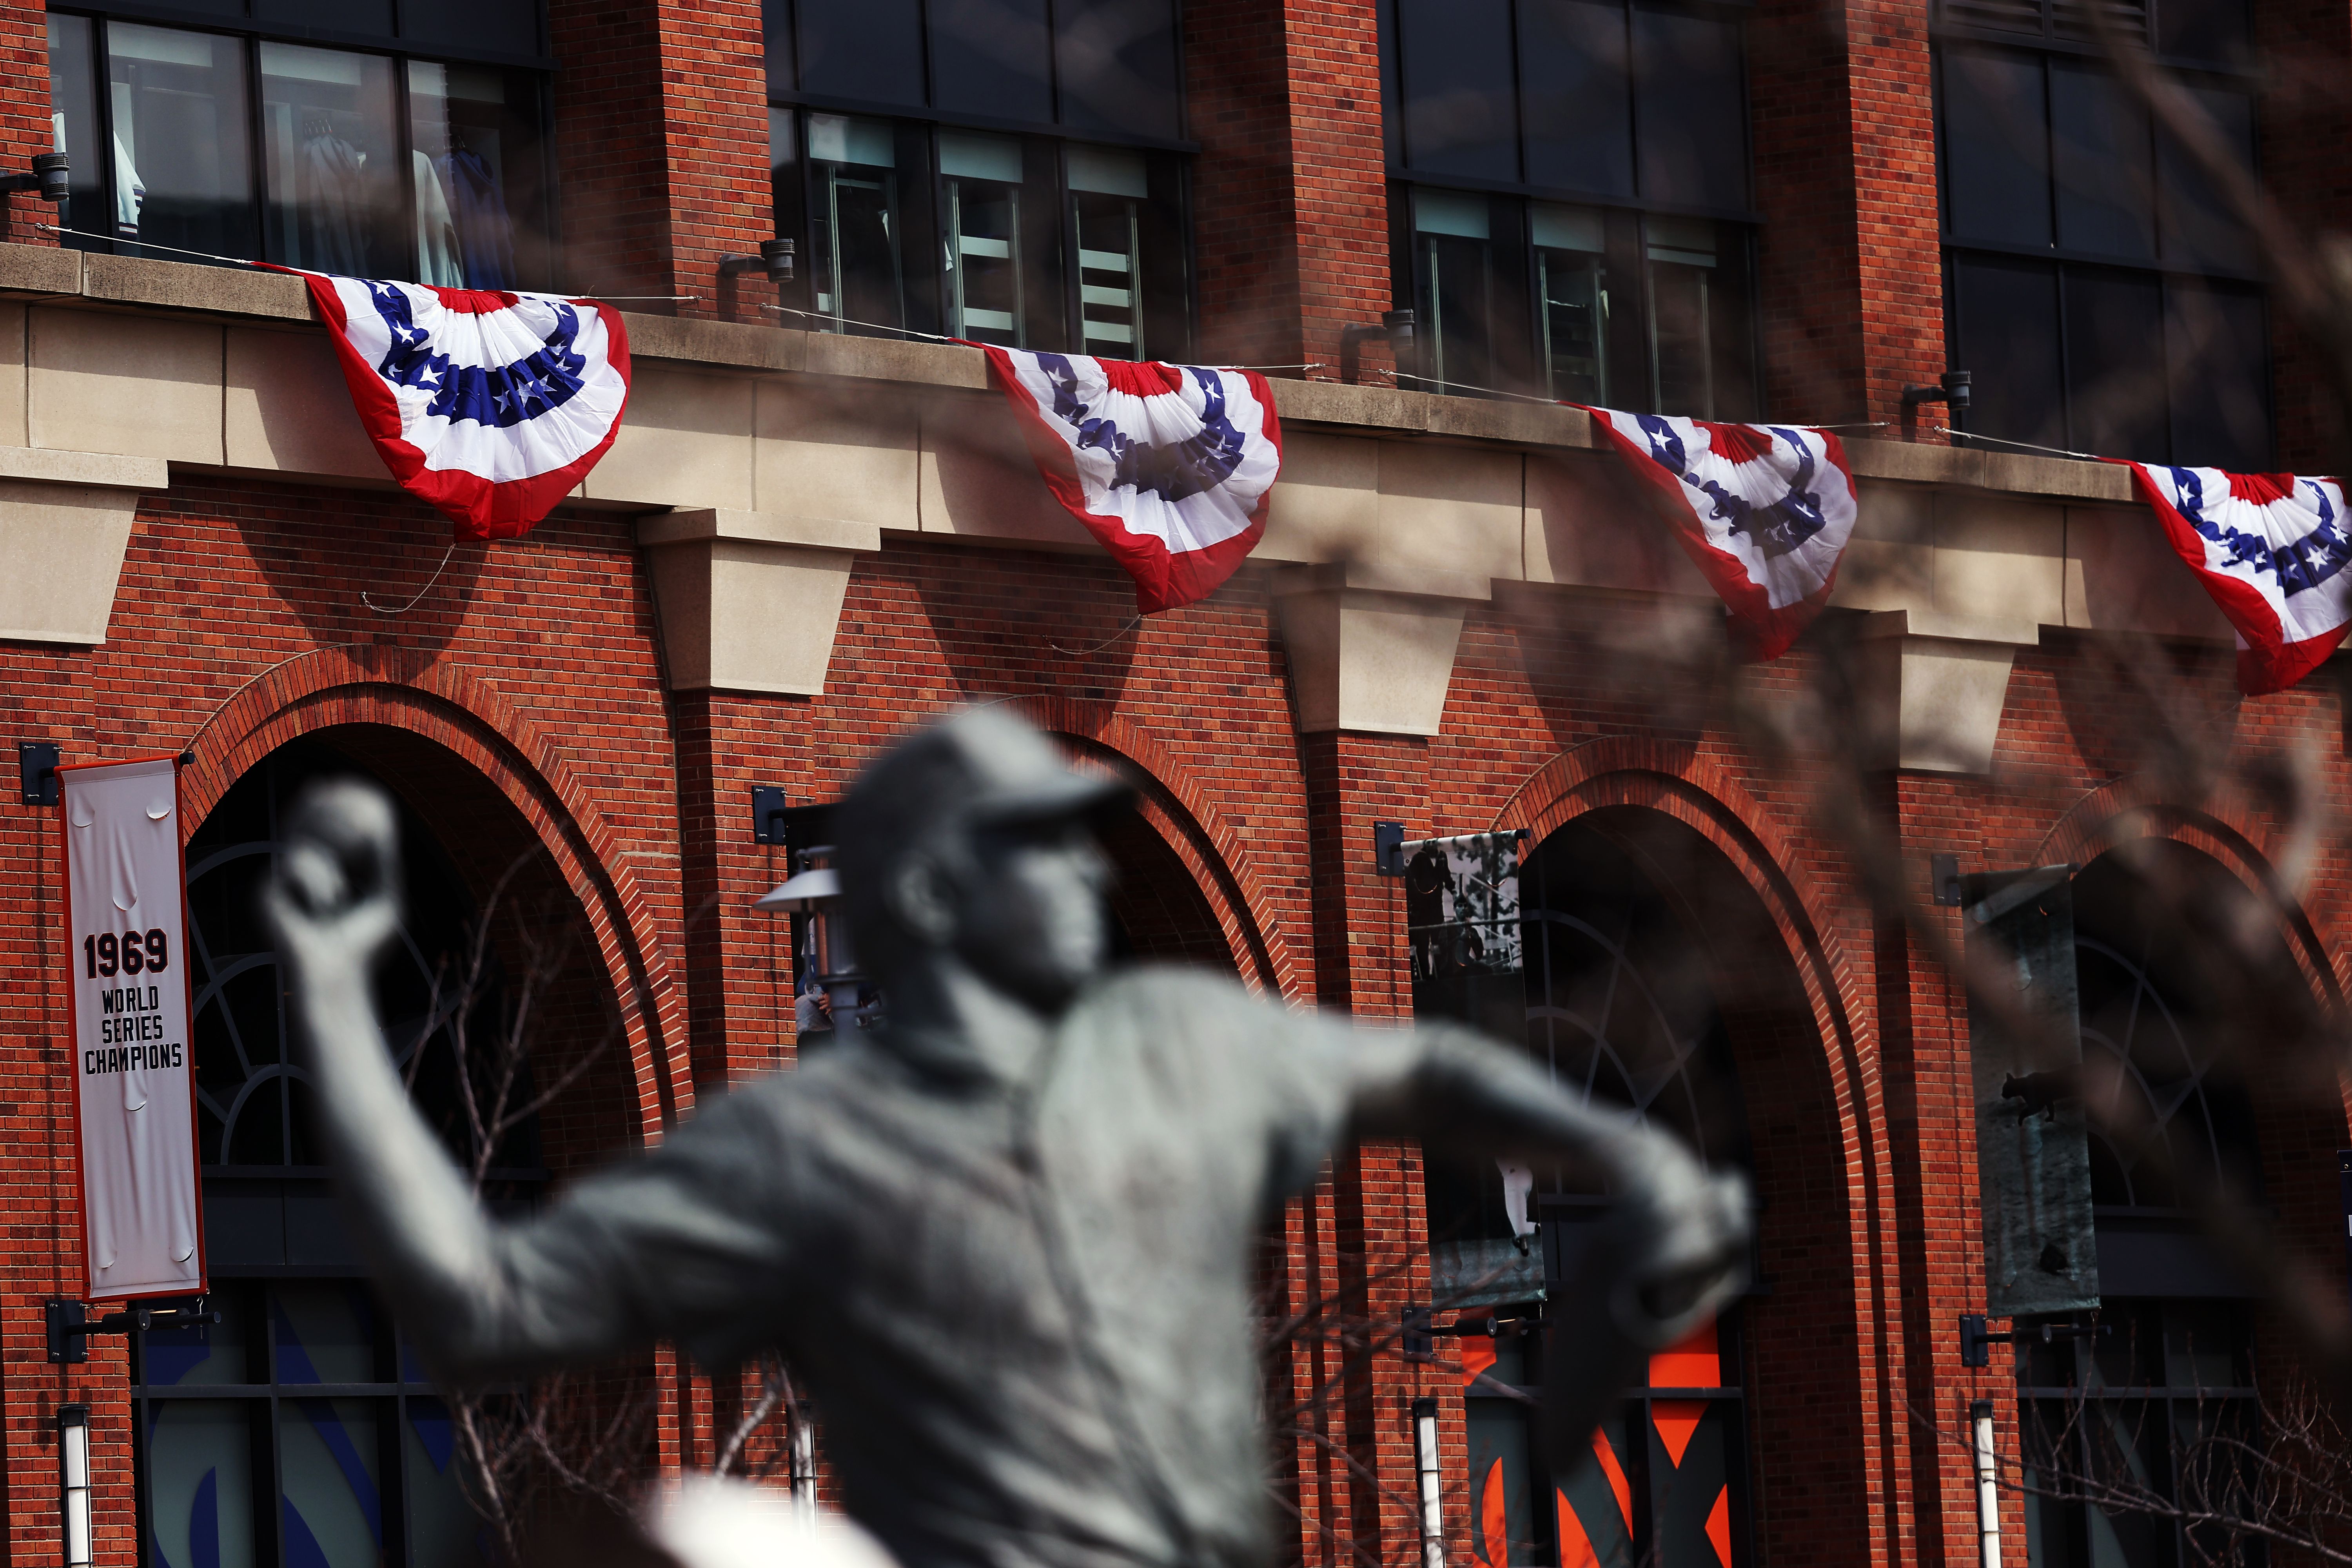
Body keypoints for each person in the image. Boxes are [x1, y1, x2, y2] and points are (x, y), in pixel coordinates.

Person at [265, 707, 1749, 1568]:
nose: (1081, 875)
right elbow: (484, 1305)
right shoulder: (810, 1143)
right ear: (923, 900)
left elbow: (1435, 1077)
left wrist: (1636, 1164)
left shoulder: (1184, 1044)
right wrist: (332, 995)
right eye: (1032, 848)